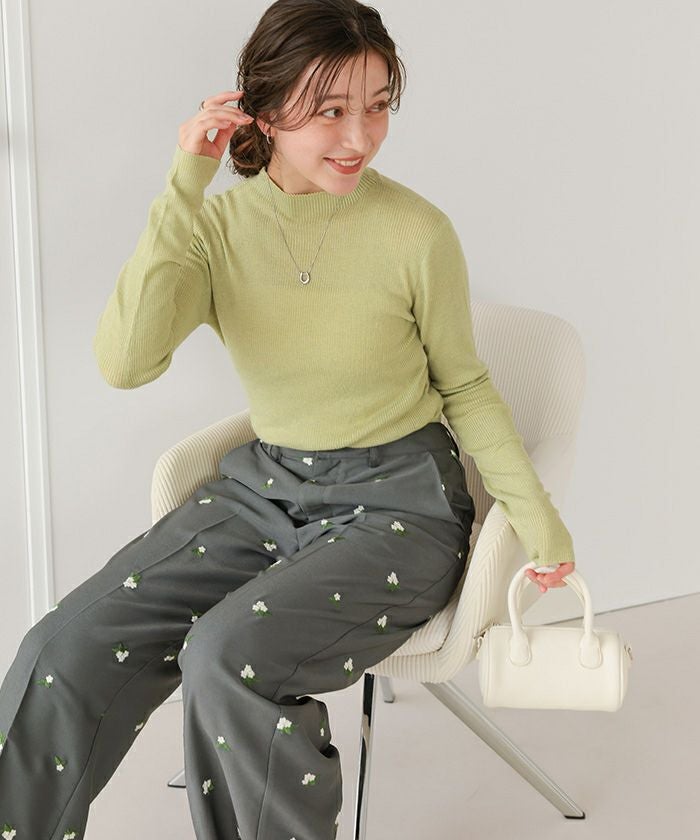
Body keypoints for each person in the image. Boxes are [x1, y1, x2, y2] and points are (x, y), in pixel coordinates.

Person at [0, 1, 575, 838]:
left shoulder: (416, 232)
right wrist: (184, 184)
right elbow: (126, 362)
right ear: (264, 114)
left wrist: (539, 520)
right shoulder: (214, 230)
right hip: (263, 490)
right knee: (61, 647)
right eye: (330, 110)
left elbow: (467, 387)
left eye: (377, 106)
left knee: (228, 655)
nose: (360, 136)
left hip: (403, 504)